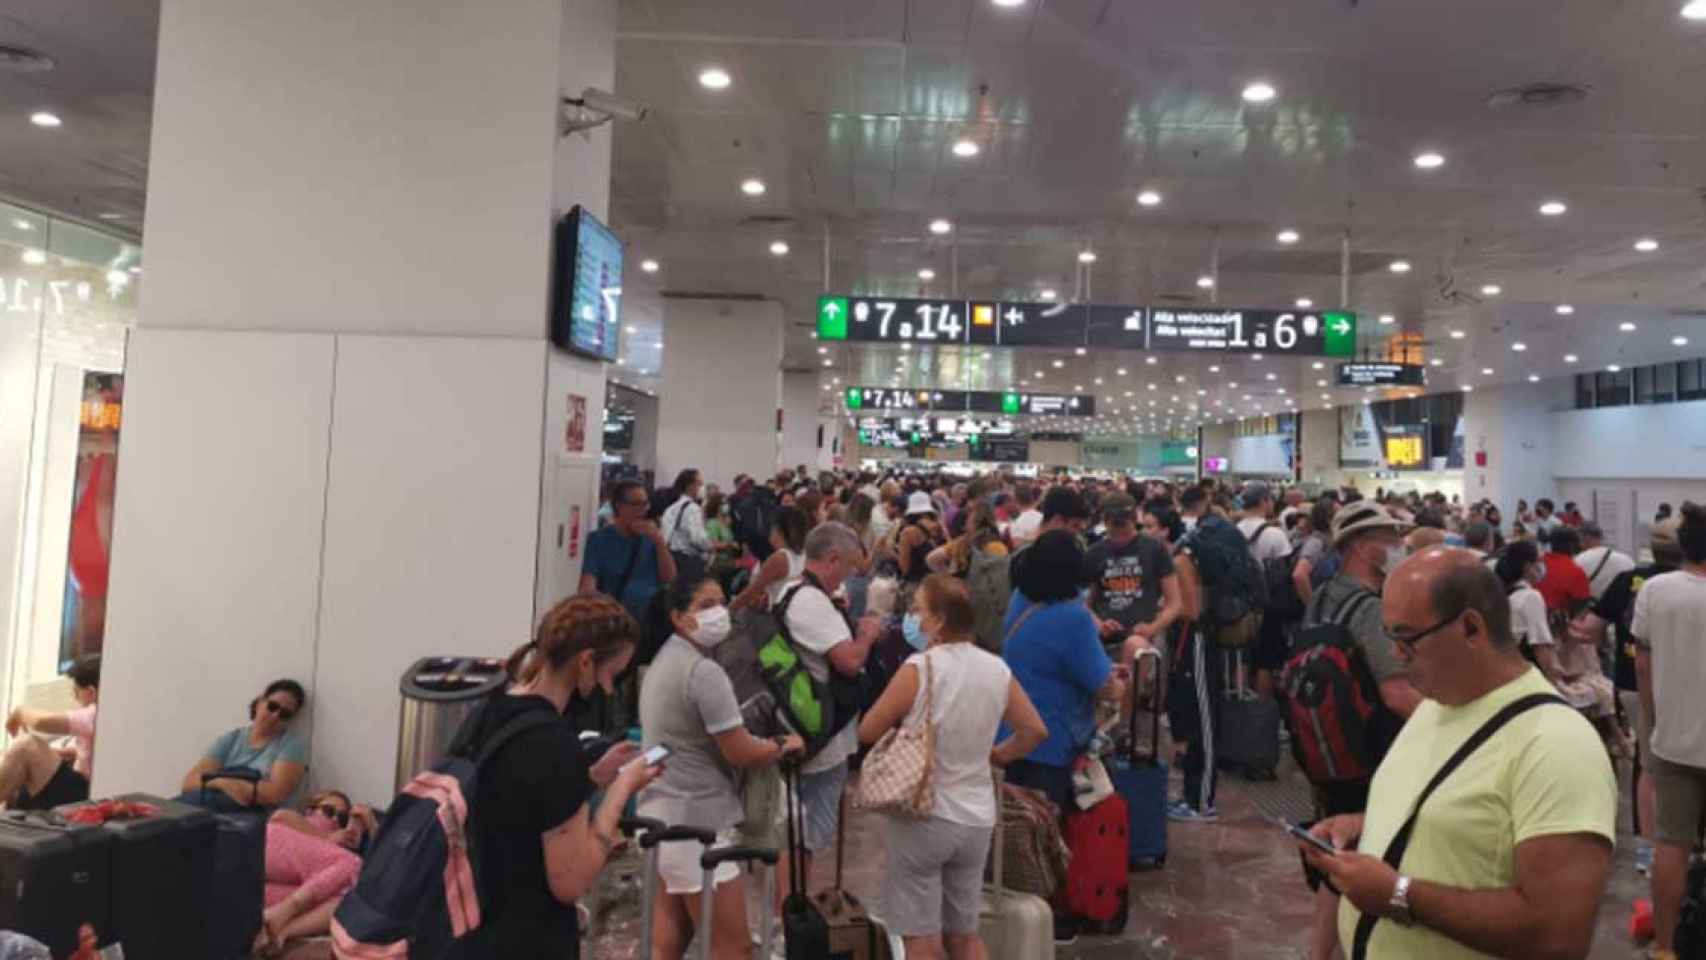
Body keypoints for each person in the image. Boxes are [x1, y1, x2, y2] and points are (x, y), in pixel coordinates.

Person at [1304, 547, 1616, 960]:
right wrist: (1364, 826)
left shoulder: (1556, 745)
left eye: (1406, 638)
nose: (1396, 655)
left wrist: (1398, 895)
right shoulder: (1436, 705)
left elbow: (1559, 934)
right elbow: (1455, 813)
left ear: (1471, 628)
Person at [457, 593, 661, 959]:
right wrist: (621, 788)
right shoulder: (554, 745)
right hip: (526, 938)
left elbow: (517, 802)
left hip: (466, 927)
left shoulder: (487, 715)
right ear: (585, 662)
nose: (610, 689)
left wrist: (592, 779)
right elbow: (572, 880)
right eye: (611, 674)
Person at [857, 575, 1047, 960]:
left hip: (923, 816)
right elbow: (1034, 730)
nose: (916, 620)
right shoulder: (997, 669)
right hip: (976, 819)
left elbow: (868, 730)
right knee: (964, 935)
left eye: (921, 612)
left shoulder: (919, 668)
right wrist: (998, 754)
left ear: (940, 619)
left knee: (920, 938)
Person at [638, 575, 803, 960]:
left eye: (721, 601)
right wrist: (781, 745)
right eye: (705, 605)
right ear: (680, 617)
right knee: (733, 948)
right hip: (699, 825)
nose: (718, 612)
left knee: (669, 941)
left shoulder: (666, 659)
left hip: (663, 816)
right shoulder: (703, 672)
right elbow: (740, 750)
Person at [1298, 502, 1423, 960]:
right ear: (1362, 546)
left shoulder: (1322, 595)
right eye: (1389, 538)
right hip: (1371, 750)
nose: (1397, 546)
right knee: (1369, 863)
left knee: (1336, 860)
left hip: (1326, 746)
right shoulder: (1369, 608)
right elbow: (1396, 693)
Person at [774, 522, 882, 910]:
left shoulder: (794, 592)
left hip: (809, 729)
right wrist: (867, 635)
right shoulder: (811, 602)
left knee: (797, 832)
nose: (850, 576)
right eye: (849, 567)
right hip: (820, 738)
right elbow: (850, 662)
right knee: (800, 835)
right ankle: (790, 917)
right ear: (832, 558)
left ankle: (791, 911)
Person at [1000, 529, 1127, 814]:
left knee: (1017, 832)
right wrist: (1120, 683)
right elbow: (1104, 686)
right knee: (1047, 836)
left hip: (1011, 734)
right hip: (1052, 742)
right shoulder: (1074, 618)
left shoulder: (1020, 599)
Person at [1586, 515, 1680, 878]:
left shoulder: (1629, 580)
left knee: (1646, 761)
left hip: (1630, 683)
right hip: (1682, 683)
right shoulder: (1691, 584)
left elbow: (1591, 629)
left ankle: (1647, 849)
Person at [1633, 503, 1706, 960]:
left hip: (1674, 743)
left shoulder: (1657, 591)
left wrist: (1654, 720)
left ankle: (1664, 947)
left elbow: (1642, 663)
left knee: (1671, 846)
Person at [1144, 498, 1217, 822]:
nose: (1144, 532)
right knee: (1187, 715)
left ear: (1165, 529)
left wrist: (1162, 611)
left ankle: (1201, 801)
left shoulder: (1180, 560)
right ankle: (1190, 795)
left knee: (1201, 719)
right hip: (1182, 641)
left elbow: (1191, 608)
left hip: (1195, 640)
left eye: (1149, 527)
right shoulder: (1166, 559)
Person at [254, 789, 377, 955]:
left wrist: (372, 827)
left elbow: (382, 875)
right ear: (310, 810)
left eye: (342, 818)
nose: (334, 819)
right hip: (267, 849)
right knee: (352, 863)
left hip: (267, 889)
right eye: (328, 811)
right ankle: (283, 912)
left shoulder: (334, 864)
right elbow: (279, 817)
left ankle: (283, 931)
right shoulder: (294, 820)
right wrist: (328, 838)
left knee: (351, 901)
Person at [179, 679, 309, 811]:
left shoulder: (290, 746)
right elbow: (189, 782)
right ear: (259, 702)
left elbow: (276, 794)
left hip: (245, 818)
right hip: (204, 805)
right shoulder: (231, 739)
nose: (275, 715)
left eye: (284, 714)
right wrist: (223, 783)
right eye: (272, 706)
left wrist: (214, 781)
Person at [1086, 493, 1180, 659]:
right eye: (1114, 534)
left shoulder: (1154, 549)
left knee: (1136, 647)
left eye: (1126, 533)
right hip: (1103, 639)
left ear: (1135, 521)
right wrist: (1099, 624)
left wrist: (1153, 627)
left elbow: (1174, 603)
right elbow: (1084, 603)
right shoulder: (1095, 553)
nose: (1120, 539)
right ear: (1105, 524)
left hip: (1144, 639)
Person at [1, 654, 99, 810]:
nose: (75, 697)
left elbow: (41, 723)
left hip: (83, 797)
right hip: (81, 788)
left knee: (26, 746)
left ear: (91, 692)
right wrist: (67, 752)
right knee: (13, 766)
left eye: (76, 691)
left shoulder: (94, 713)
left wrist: (20, 712)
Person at [581, 479, 677, 620]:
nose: (643, 509)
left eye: (645, 504)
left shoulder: (652, 538)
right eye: (636, 504)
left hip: (650, 618)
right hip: (617, 617)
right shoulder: (599, 539)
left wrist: (659, 541)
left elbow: (669, 577)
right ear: (619, 506)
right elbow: (588, 586)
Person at [730, 506, 811, 612]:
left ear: (778, 531)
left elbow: (750, 592)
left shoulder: (780, 558)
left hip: (780, 616)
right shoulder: (806, 553)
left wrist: (729, 609)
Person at [927, 499, 1008, 577]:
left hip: (959, 588)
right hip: (984, 590)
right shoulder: (996, 546)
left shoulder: (960, 543)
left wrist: (949, 580)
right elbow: (1002, 576)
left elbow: (931, 559)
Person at [1534, 526, 1590, 624]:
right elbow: (1581, 607)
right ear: (1572, 545)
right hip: (1555, 626)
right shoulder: (1575, 571)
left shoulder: (1536, 563)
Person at [1574, 521, 1633, 602]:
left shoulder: (1579, 560)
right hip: (1622, 612)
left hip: (1594, 611)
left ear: (1586, 538)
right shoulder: (1627, 559)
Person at [895, 492, 945, 584]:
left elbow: (904, 568)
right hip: (936, 581)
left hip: (917, 584)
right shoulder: (938, 526)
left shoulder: (908, 532)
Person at [1292, 499, 1335, 604]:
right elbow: (1299, 575)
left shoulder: (1327, 539)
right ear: (1329, 519)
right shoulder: (1316, 542)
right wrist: (1311, 606)